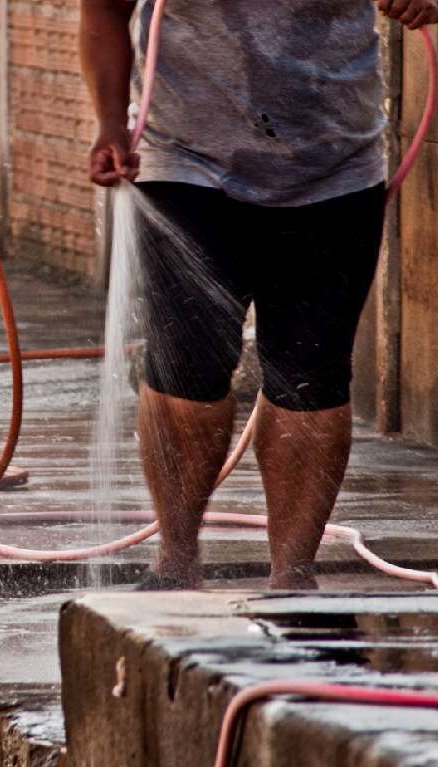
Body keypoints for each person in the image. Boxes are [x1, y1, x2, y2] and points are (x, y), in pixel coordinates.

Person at [80, 0, 437, 589]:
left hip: (333, 165)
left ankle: (293, 575)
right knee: (186, 363)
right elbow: (102, 13)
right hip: (184, 162)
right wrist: (110, 125)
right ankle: (175, 563)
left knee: (311, 373)